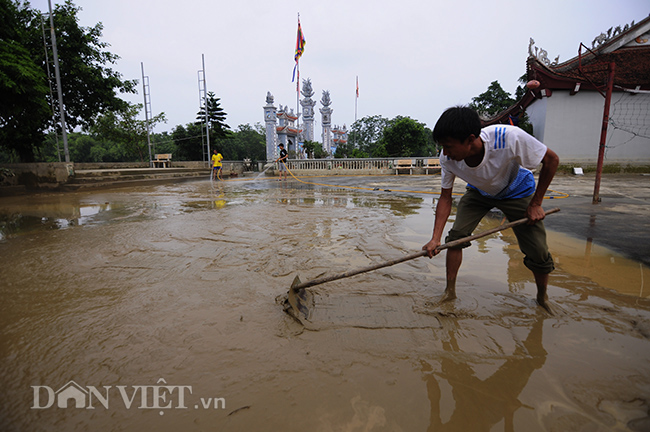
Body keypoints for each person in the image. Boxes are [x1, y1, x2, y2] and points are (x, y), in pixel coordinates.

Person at [422, 106, 559, 313]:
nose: (445, 152)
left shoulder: (508, 138)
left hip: (517, 190)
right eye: (443, 147)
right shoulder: (447, 158)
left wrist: (536, 203)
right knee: (457, 237)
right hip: (479, 193)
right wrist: (435, 238)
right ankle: (449, 292)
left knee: (538, 250)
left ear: (470, 139)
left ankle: (542, 298)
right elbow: (445, 198)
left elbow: (551, 160)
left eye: (449, 146)